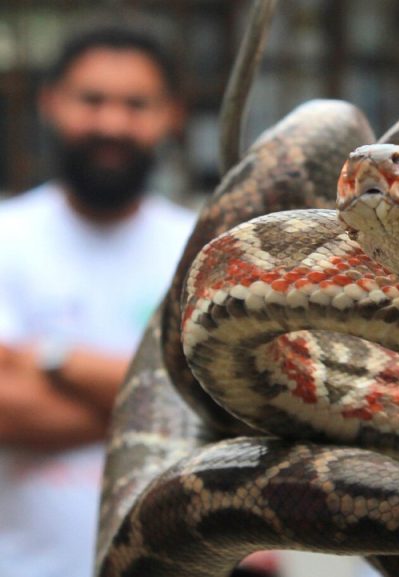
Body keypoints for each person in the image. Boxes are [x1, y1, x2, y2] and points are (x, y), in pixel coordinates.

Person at [0, 25, 195, 577]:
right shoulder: (6, 237)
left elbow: (225, 401)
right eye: (92, 100)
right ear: (50, 103)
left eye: (136, 105)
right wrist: (174, 403)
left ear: (172, 115)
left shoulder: (203, 248)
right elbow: (4, 409)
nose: (112, 123)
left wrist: (55, 359)